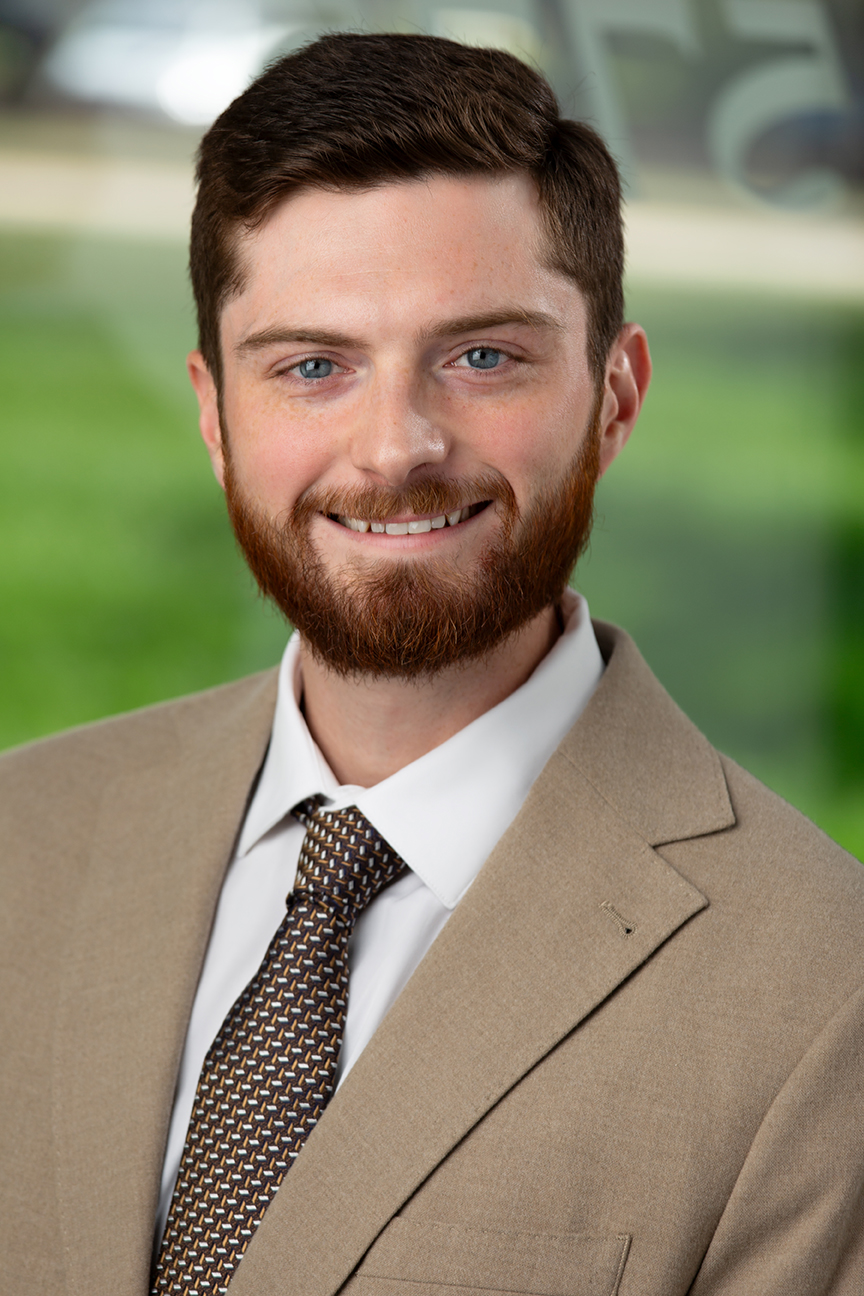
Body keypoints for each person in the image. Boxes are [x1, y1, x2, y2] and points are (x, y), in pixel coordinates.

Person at [2, 30, 863, 1296]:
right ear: (214, 414)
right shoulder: (20, 837)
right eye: (312, 366)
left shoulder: (826, 996)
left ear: (615, 396)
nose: (396, 446)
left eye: (483, 357)